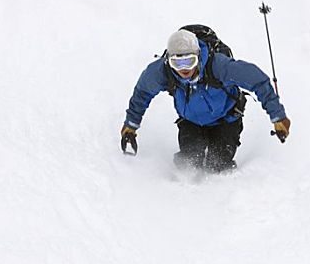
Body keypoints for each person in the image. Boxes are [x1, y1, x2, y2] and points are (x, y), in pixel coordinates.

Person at [121, 28, 290, 172]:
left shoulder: (218, 66)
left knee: (217, 166)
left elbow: (258, 81)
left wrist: (278, 117)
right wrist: (131, 126)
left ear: (198, 56)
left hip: (226, 120)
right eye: (177, 63)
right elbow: (142, 94)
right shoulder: (161, 72)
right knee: (189, 164)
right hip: (191, 122)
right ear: (168, 60)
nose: (184, 69)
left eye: (189, 61)